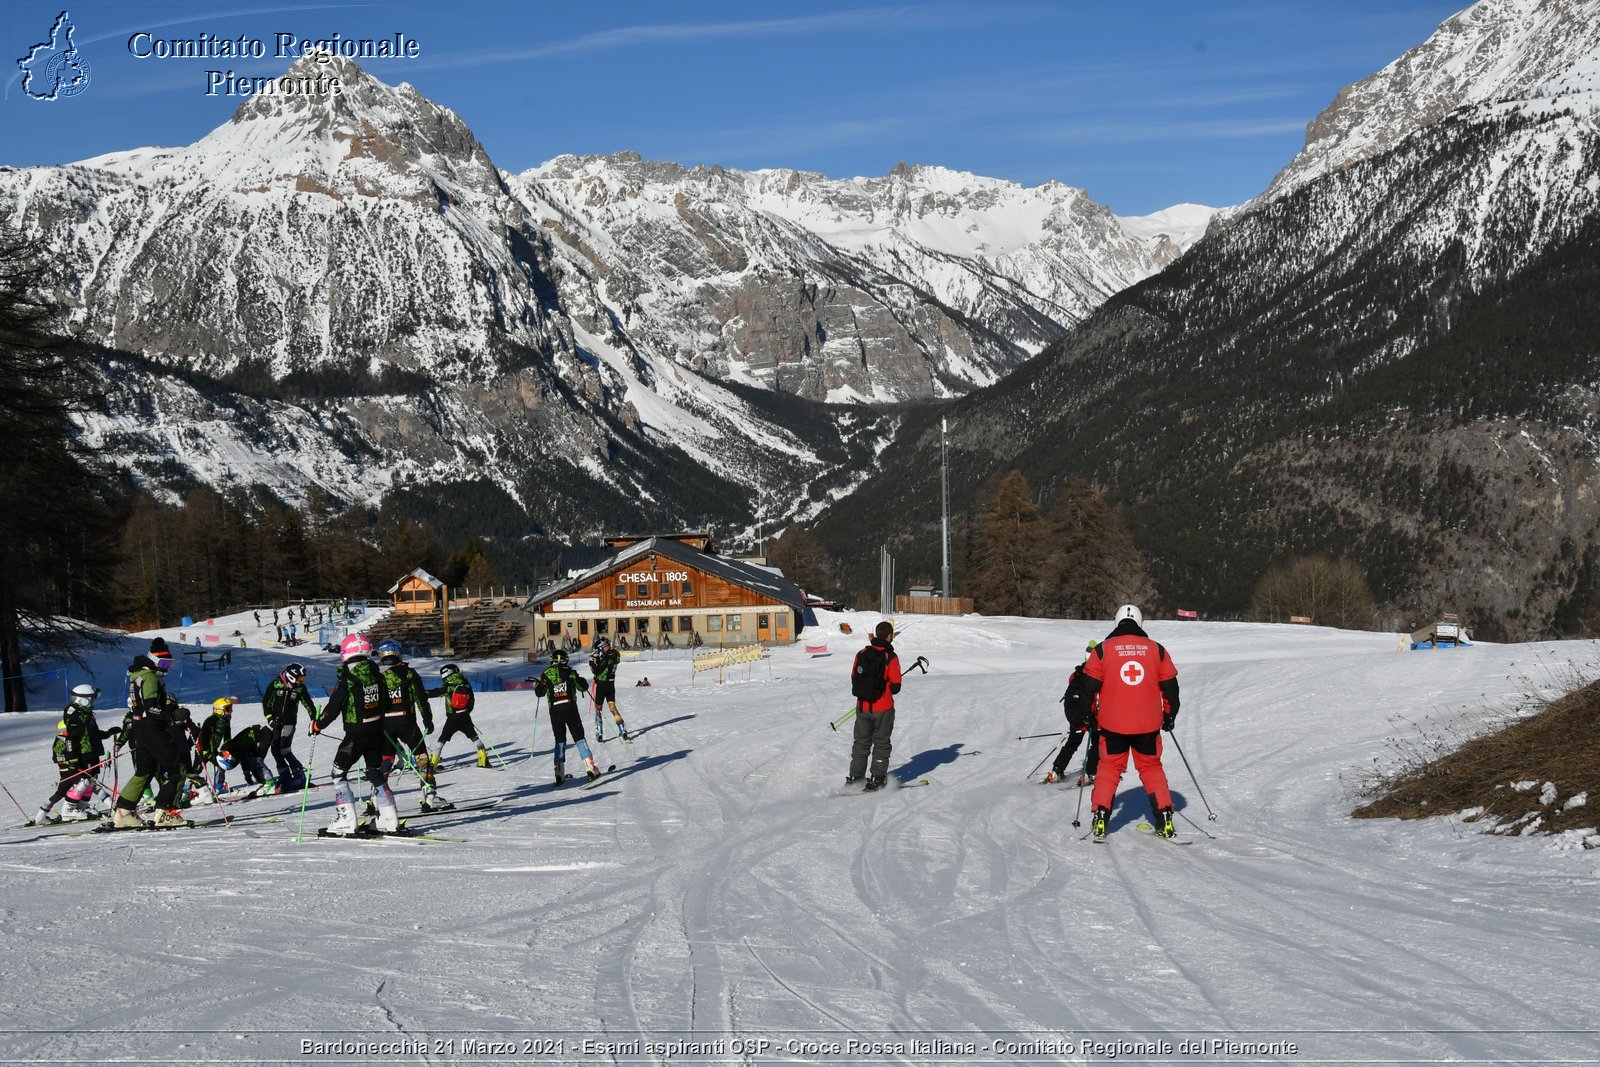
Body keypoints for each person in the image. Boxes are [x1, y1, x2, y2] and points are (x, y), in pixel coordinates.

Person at [1082, 605, 1181, 840]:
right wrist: (1169, 715)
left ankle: (1100, 817)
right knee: (1151, 767)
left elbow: (1088, 688)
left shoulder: (1103, 651)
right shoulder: (1156, 650)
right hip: (1148, 725)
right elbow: (1171, 688)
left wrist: (1089, 714)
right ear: (1141, 622)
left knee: (1109, 768)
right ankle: (1164, 816)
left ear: (1117, 621)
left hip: (1112, 725)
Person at [311, 634, 397, 835]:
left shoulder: (348, 678)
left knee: (338, 773)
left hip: (356, 734)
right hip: (377, 731)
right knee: (375, 772)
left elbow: (333, 707)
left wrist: (318, 724)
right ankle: (389, 819)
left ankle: (346, 820)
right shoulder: (378, 674)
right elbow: (387, 702)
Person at [111, 638, 188, 829]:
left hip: (140, 729)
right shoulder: (150, 677)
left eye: (168, 664)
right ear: (153, 660)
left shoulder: (137, 675)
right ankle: (164, 811)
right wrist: (171, 716)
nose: (166, 668)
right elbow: (151, 707)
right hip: (152, 728)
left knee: (144, 771)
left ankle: (123, 812)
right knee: (176, 769)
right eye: (162, 663)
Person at [373, 640, 447, 811]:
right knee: (422, 758)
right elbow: (420, 699)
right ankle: (430, 795)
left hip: (385, 724)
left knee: (385, 761)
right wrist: (427, 720)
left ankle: (376, 798)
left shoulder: (376, 675)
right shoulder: (408, 673)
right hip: (407, 722)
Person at [33, 684, 119, 824]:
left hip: (90, 752)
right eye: (91, 698)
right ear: (83, 700)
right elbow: (71, 739)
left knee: (89, 782)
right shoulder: (75, 716)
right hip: (83, 755)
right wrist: (72, 759)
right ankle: (69, 810)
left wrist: (107, 733)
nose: (93, 701)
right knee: (86, 782)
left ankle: (80, 807)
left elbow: (89, 734)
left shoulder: (85, 714)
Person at [846, 621, 903, 791]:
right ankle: (878, 779)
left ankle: (856, 778)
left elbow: (854, 676)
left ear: (876, 634)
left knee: (861, 742)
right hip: (883, 708)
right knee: (881, 742)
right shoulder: (890, 657)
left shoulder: (862, 653)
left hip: (862, 706)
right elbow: (896, 687)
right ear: (890, 636)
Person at [533, 647, 601, 784]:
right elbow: (583, 688)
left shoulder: (546, 674)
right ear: (565, 660)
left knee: (559, 740)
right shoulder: (570, 672)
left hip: (555, 711)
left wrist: (537, 685)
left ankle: (559, 774)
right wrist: (580, 679)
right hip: (570, 708)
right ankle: (590, 769)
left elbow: (540, 693)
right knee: (579, 738)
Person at [1046, 641, 1102, 785]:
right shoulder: (1098, 675)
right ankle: (1091, 773)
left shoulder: (1075, 674)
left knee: (1072, 743)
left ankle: (1057, 771)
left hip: (1075, 716)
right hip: (1092, 716)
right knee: (1097, 743)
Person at [262, 663, 313, 789]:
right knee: (275, 750)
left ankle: (299, 775)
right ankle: (285, 777)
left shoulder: (300, 689)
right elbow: (266, 702)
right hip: (275, 723)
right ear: (290, 676)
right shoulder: (275, 684)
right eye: (299, 678)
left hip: (289, 723)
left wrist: (314, 720)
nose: (301, 681)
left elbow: (309, 705)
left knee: (284, 749)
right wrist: (270, 718)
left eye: (303, 679)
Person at [434, 664, 489, 769]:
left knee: (442, 739)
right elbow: (471, 701)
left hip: (452, 718)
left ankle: (433, 764)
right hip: (464, 716)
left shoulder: (448, 686)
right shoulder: (466, 684)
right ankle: (483, 760)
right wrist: (467, 712)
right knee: (474, 737)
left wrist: (423, 694)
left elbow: (435, 692)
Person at [589, 637, 630, 741]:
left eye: (599, 649)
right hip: (611, 685)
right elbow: (605, 665)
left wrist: (592, 661)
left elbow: (597, 670)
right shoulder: (614, 654)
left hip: (602, 686)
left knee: (598, 709)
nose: (598, 651)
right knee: (612, 707)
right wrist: (597, 658)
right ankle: (622, 729)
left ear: (603, 647)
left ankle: (599, 732)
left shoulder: (608, 657)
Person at [197, 697, 236, 794]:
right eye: (228, 709)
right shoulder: (211, 720)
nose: (230, 711)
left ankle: (218, 787)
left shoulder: (226, 721)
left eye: (230, 708)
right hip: (202, 749)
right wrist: (205, 750)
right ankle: (185, 790)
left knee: (222, 765)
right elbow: (204, 736)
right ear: (220, 710)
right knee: (196, 770)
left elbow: (227, 736)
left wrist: (227, 748)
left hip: (213, 749)